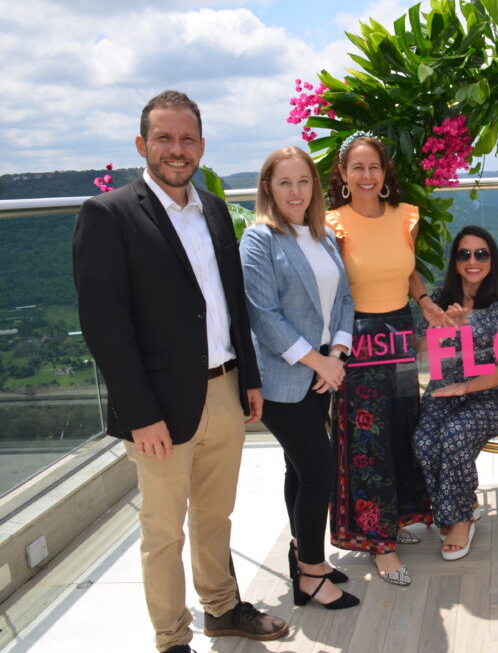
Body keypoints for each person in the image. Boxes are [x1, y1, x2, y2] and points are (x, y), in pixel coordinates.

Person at [71, 90, 287, 653]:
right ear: (142, 145)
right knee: (163, 531)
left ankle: (221, 607)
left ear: (202, 146)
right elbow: (105, 327)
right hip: (158, 405)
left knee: (217, 514)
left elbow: (231, 301)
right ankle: (172, 638)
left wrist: (251, 377)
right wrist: (140, 416)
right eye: (164, 138)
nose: (176, 149)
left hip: (225, 387)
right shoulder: (108, 214)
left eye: (187, 138)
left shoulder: (213, 208)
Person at [239, 146, 359, 609]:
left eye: (303, 181)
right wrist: (319, 362)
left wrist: (338, 352)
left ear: (314, 187)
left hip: (321, 372)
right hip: (283, 380)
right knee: (319, 470)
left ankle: (303, 555)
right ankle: (311, 573)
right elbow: (264, 316)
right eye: (284, 182)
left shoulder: (322, 234)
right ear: (268, 187)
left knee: (299, 467)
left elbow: (344, 298)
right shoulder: (259, 239)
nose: (295, 191)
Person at [324, 132, 434, 586]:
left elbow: (406, 268)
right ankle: (377, 544)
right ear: (344, 176)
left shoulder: (406, 216)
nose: (367, 176)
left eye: (374, 167)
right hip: (357, 337)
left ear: (385, 173)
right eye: (357, 168)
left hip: (400, 331)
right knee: (365, 443)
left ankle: (396, 517)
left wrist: (425, 301)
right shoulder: (332, 223)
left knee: (400, 427)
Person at [413, 226, 498, 561]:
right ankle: (461, 503)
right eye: (464, 254)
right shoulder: (437, 301)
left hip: (493, 392)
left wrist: (467, 386)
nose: (473, 260)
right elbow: (419, 350)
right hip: (445, 390)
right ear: (455, 261)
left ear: (492, 259)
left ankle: (460, 519)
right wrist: (441, 328)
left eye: (481, 253)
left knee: (455, 432)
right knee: (423, 439)